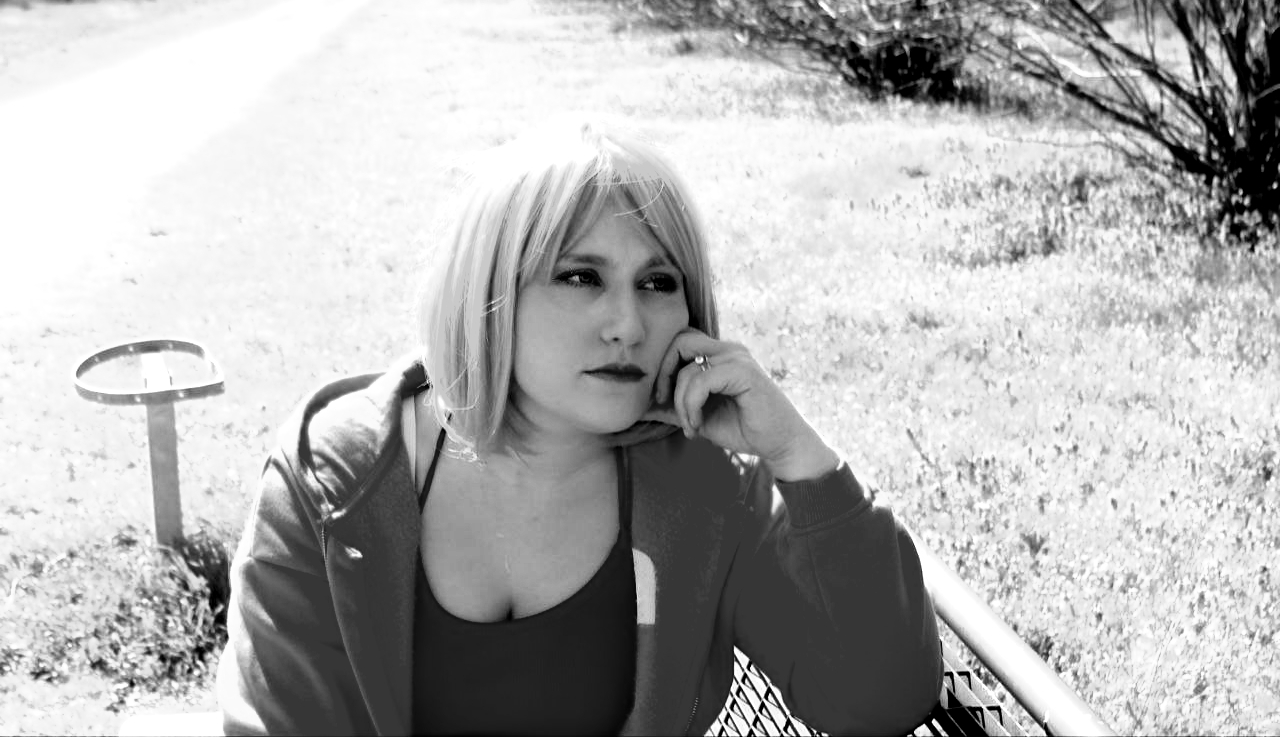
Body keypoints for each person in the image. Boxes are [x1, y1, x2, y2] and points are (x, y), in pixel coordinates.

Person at [216, 115, 943, 736]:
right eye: (580, 276)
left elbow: (877, 700)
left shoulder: (706, 486)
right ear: (487, 292)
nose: (627, 324)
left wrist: (799, 455)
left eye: (657, 283)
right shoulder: (333, 477)